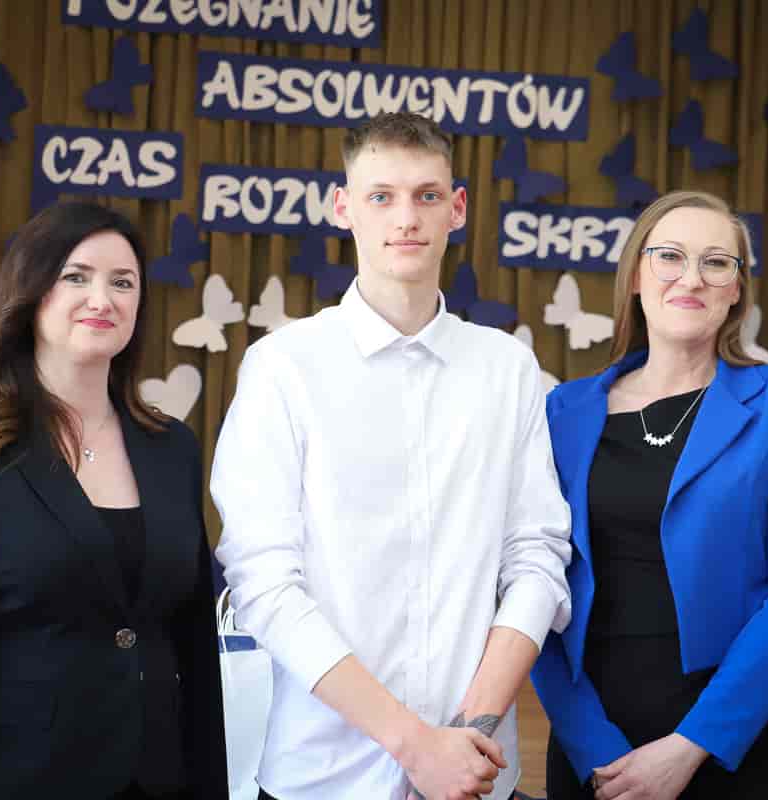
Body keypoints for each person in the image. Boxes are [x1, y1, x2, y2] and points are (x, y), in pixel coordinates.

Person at [210, 111, 572, 800]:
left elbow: (537, 557)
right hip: (322, 777)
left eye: (426, 195)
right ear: (343, 207)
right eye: (381, 196)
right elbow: (264, 583)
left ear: (456, 209)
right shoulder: (283, 367)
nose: (406, 218)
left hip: (475, 771)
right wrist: (415, 745)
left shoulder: (507, 368)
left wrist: (468, 731)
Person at [0, 201, 229, 800]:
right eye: (77, 277)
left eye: (123, 282)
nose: (103, 299)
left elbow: (194, 647)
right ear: (32, 292)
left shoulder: (172, 447)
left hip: (157, 780)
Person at [532, 190, 768, 799]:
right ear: (636, 276)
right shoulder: (561, 411)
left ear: (736, 290)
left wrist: (693, 744)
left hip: (738, 738)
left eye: (716, 262)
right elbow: (534, 583)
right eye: (669, 256)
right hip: (595, 740)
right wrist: (593, 748)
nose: (691, 278)